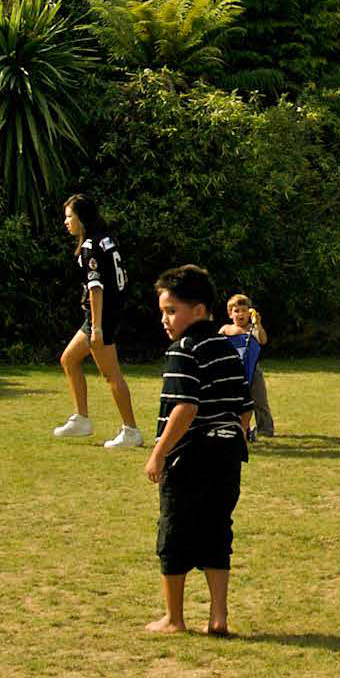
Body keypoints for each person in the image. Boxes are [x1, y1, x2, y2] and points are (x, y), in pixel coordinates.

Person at [145, 265, 252, 635]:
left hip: (189, 457)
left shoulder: (183, 349)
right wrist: (234, 444)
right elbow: (244, 405)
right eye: (162, 311)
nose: (165, 319)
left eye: (172, 310)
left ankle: (174, 618)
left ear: (201, 311)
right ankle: (218, 616)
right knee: (216, 530)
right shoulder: (227, 348)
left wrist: (159, 452)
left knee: (173, 530)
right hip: (227, 455)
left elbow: (185, 407)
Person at [52, 193, 145, 448]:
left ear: (82, 218)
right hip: (102, 314)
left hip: (101, 316)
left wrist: (98, 327)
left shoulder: (90, 247)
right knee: (68, 359)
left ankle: (131, 430)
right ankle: (81, 419)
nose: (66, 222)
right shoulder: (106, 240)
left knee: (111, 375)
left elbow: (96, 288)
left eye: (69, 216)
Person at [224, 294, 276, 441]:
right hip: (233, 372)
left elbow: (263, 340)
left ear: (250, 313)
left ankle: (265, 429)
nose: (240, 314)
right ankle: (237, 428)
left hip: (253, 371)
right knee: (235, 402)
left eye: (244, 311)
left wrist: (258, 324)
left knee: (260, 401)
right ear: (230, 314)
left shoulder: (252, 328)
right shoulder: (226, 329)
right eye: (236, 311)